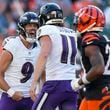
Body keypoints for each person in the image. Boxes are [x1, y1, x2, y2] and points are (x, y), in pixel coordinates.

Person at [29, 3, 78, 110]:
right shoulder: (71, 32)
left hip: (55, 83)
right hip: (72, 84)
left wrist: (33, 83)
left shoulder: (46, 29)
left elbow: (44, 54)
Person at [71, 5, 110, 110]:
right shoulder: (102, 38)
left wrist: (79, 82)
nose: (76, 23)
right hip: (95, 91)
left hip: (98, 93)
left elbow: (98, 68)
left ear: (88, 21)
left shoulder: (90, 38)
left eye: (79, 20)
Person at [0, 12, 40, 110]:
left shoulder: (39, 47)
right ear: (22, 28)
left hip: (30, 98)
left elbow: (43, 74)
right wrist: (11, 92)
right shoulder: (12, 46)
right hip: (11, 99)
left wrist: (40, 90)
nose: (33, 28)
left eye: (35, 26)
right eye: (29, 25)